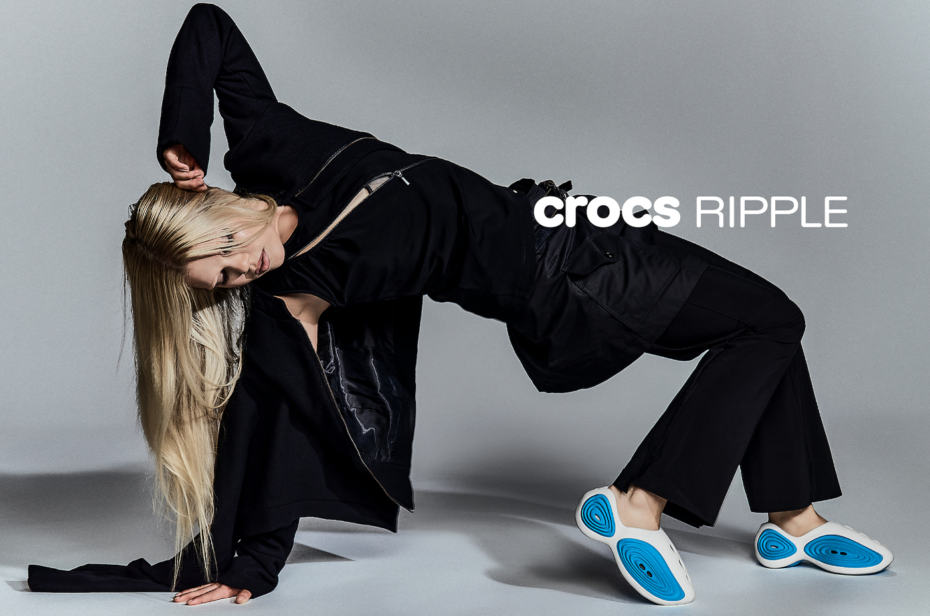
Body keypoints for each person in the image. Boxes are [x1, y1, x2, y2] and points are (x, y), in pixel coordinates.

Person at [27, 3, 892, 607]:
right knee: (771, 321)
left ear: (217, 200)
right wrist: (254, 562)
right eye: (222, 282)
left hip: (565, 223)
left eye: (225, 248)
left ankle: (791, 520)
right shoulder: (301, 290)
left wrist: (181, 132)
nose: (242, 269)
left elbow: (209, 25)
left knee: (762, 330)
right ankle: (642, 501)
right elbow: (274, 413)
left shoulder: (268, 145)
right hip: (576, 280)